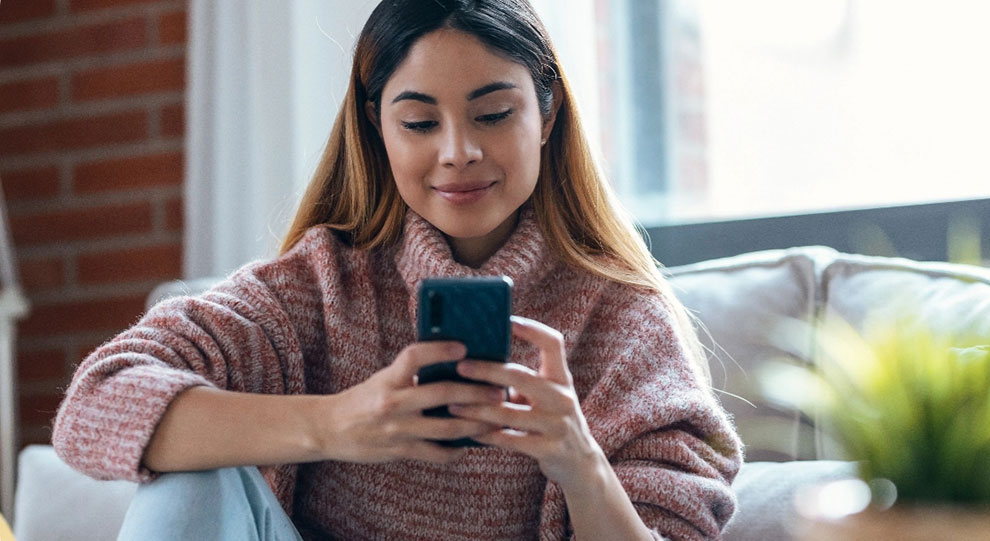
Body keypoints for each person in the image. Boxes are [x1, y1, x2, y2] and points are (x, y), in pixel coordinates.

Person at [52, 0, 742, 539]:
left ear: (547, 111)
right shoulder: (315, 288)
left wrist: (579, 460)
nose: (457, 151)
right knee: (189, 475)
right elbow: (95, 405)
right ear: (377, 129)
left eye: (493, 114)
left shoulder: (622, 321)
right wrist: (333, 422)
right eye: (418, 123)